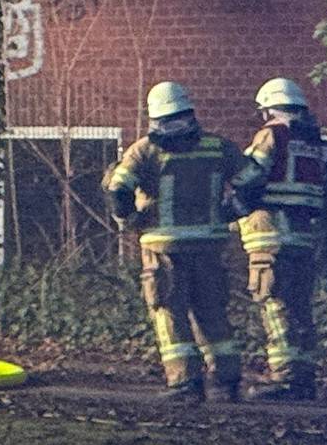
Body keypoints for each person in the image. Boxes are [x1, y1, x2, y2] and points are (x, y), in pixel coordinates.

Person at [105, 81, 247, 401]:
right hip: (209, 247)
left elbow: (118, 190)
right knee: (212, 311)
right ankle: (227, 382)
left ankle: (185, 383)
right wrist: (229, 212)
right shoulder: (218, 147)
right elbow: (252, 182)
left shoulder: (144, 150)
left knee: (169, 312)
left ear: (154, 118)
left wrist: (129, 220)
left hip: (163, 248)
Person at [235, 77, 327, 402]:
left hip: (270, 235)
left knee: (274, 304)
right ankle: (304, 377)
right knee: (300, 307)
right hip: (303, 236)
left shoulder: (272, 134)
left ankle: (284, 378)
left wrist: (232, 202)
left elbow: (249, 176)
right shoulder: (314, 141)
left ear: (269, 109)